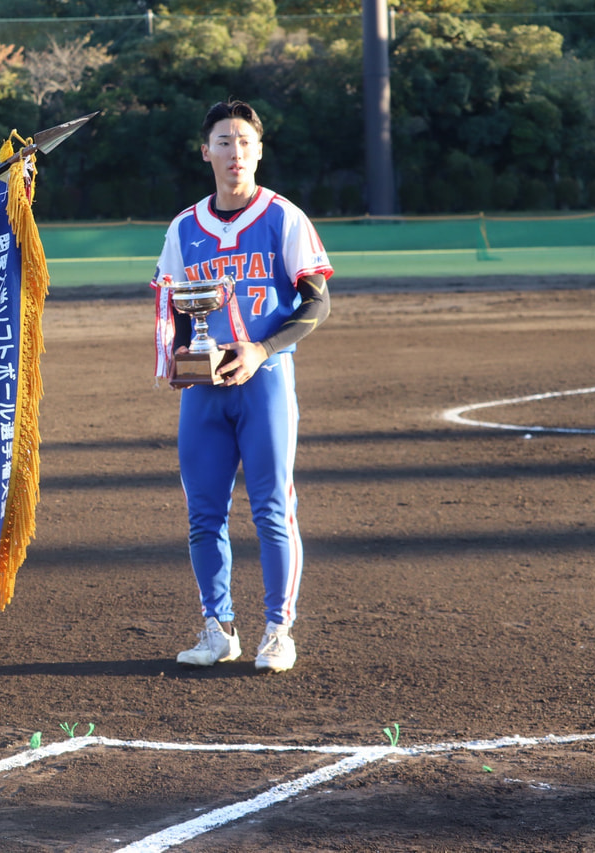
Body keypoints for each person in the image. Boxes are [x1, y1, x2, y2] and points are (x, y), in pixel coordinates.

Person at [152, 99, 332, 674]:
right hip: (204, 391)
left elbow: (317, 303)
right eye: (224, 142)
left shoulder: (284, 217)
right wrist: (179, 355)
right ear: (206, 152)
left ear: (259, 150)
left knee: (273, 509)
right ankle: (217, 628)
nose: (235, 153)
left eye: (245, 142)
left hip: (265, 381)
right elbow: (174, 307)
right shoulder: (185, 227)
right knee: (203, 513)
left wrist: (262, 348)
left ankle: (278, 630)